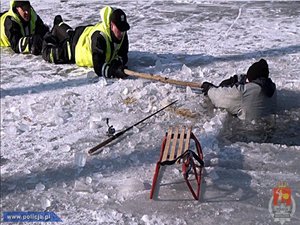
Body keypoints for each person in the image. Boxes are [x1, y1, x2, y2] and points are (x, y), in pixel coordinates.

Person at [42, 6, 130, 79]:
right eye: (119, 29)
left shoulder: (123, 34)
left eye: (123, 29)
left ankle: (59, 24)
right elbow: (98, 67)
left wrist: (117, 62)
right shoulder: (100, 37)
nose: (122, 33)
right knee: (48, 54)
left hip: (85, 32)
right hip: (75, 46)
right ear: (111, 25)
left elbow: (123, 55)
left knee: (70, 33)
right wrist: (114, 72)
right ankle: (49, 33)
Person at [201, 59, 277, 120]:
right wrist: (239, 79)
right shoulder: (272, 88)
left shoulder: (244, 92)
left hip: (247, 135)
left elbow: (220, 97)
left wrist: (209, 89)